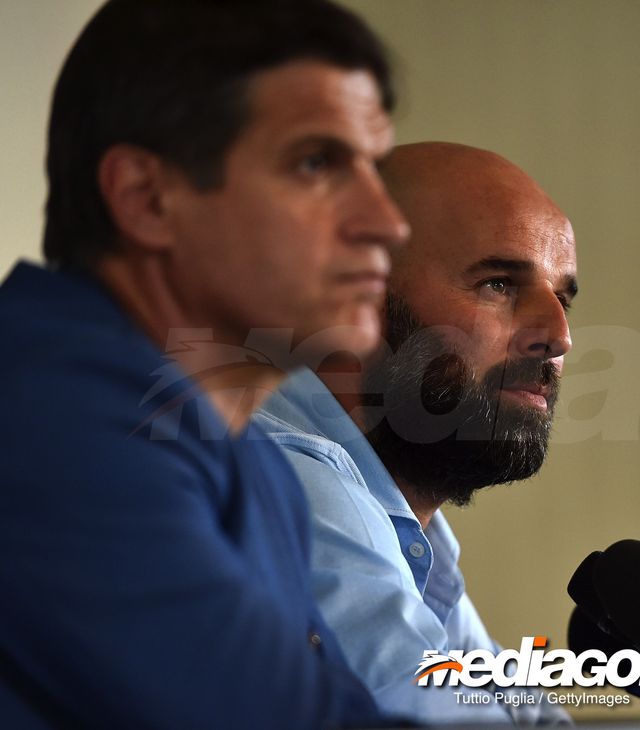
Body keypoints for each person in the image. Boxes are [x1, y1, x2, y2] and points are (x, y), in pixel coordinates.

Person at [0, 1, 408, 728]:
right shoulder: (45, 416)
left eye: (374, 168)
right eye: (317, 162)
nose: (387, 221)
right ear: (147, 199)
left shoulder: (252, 458)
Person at [254, 142, 576, 724]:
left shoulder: (405, 523)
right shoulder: (280, 476)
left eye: (563, 298)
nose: (557, 335)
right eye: (499, 284)